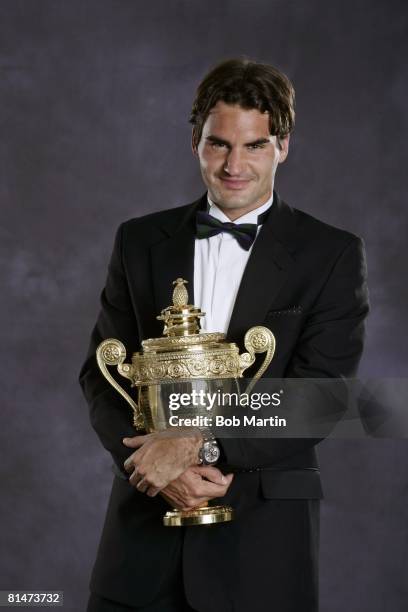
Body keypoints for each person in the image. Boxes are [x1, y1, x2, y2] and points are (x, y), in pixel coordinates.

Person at [79, 58, 369, 612]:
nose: (234, 165)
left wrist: (198, 445)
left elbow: (321, 396)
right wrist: (150, 467)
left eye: (255, 146)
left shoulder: (330, 253)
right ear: (195, 142)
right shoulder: (139, 240)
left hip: (261, 551)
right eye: (218, 145)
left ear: (282, 146)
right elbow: (101, 372)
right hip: (139, 548)